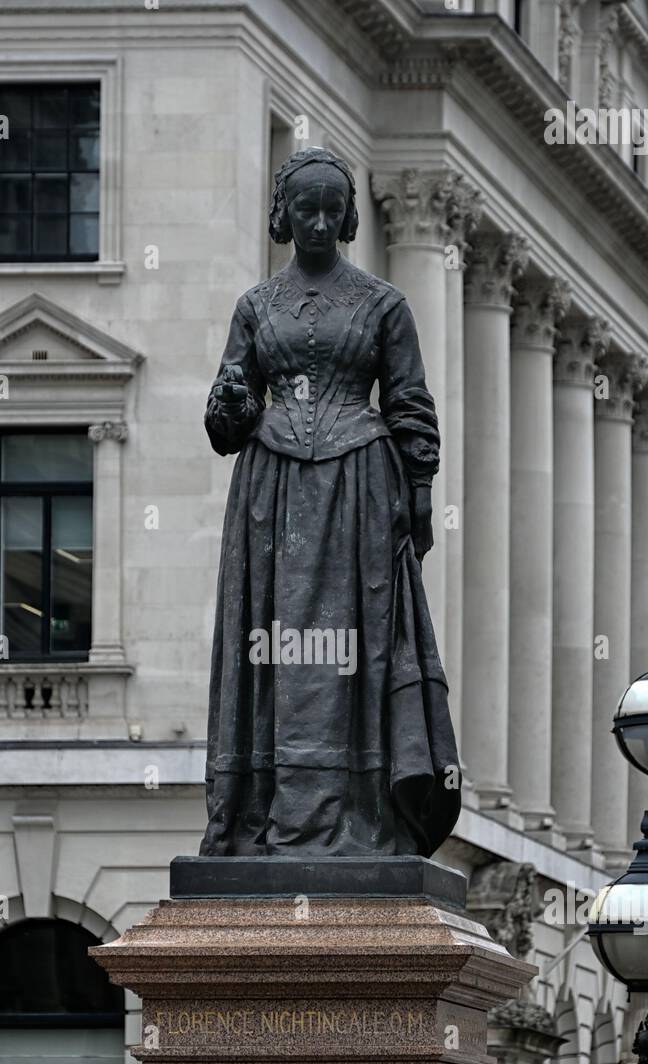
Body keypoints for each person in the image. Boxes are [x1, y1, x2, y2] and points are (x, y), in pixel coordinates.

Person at [201, 146, 461, 857]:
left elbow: (410, 403)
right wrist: (228, 404)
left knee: (355, 650)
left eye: (330, 209)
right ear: (282, 215)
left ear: (347, 218)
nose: (317, 221)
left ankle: (363, 812)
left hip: (358, 491)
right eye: (304, 208)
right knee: (271, 645)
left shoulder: (384, 304)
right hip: (271, 494)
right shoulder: (255, 307)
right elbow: (226, 423)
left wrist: (417, 495)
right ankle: (258, 812)